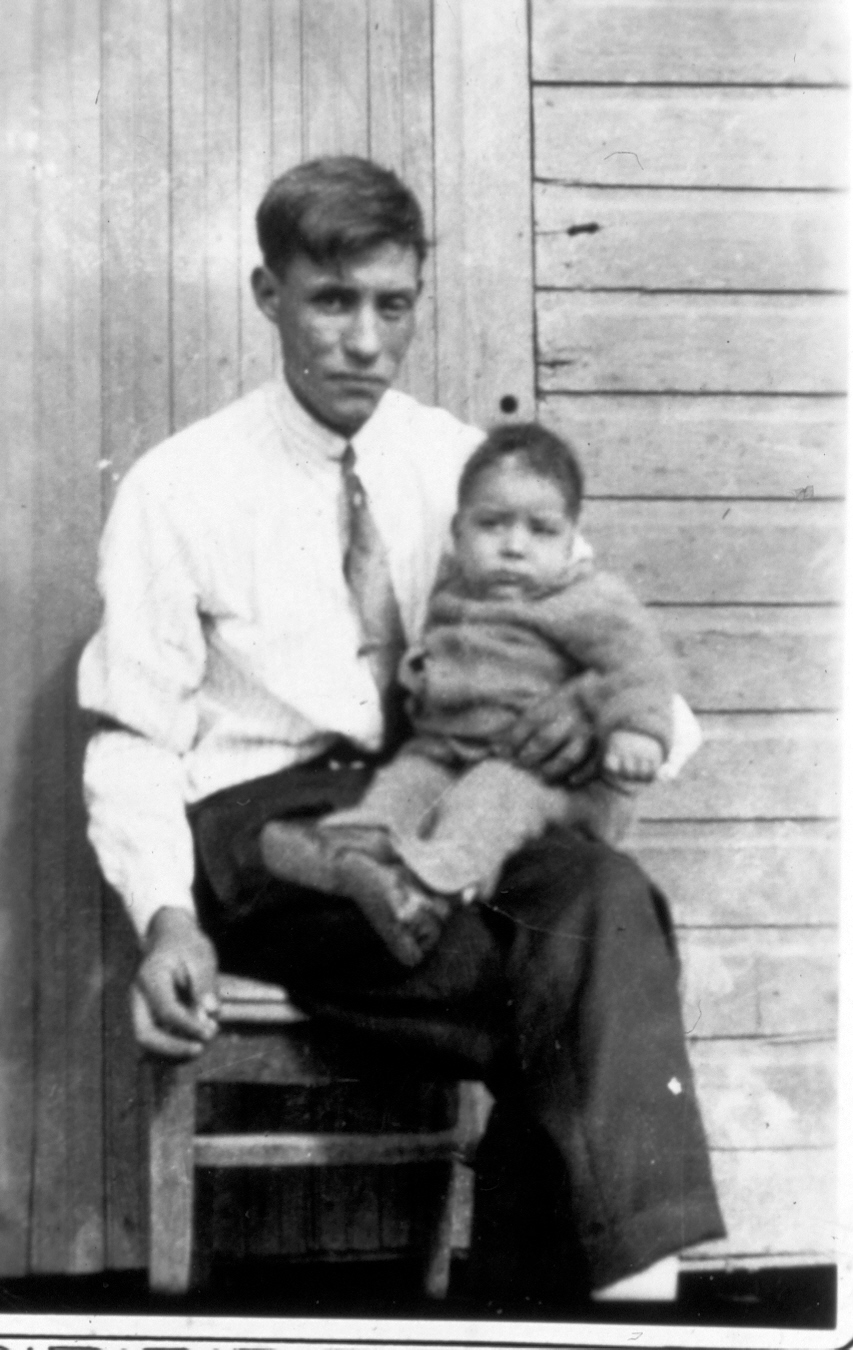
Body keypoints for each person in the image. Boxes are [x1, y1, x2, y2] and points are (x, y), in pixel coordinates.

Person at [78, 155, 724, 1308]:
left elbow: (605, 636)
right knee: (581, 968)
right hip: (265, 830)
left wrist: (603, 723)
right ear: (268, 293)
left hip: (446, 806)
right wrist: (164, 918)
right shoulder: (179, 488)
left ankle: (607, 1302)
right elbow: (132, 735)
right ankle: (595, 1293)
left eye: (393, 305)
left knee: (606, 901)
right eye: (332, 302)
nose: (366, 343)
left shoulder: (460, 467)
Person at [261, 421, 677, 969]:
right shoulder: (455, 590)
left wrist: (637, 733)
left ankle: (427, 894)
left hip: (550, 778)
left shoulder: (588, 598)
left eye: (541, 530)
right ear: (458, 532)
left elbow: (641, 665)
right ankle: (357, 849)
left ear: (571, 540)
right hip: (449, 751)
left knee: (488, 797)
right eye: (492, 524)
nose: (514, 547)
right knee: (408, 778)